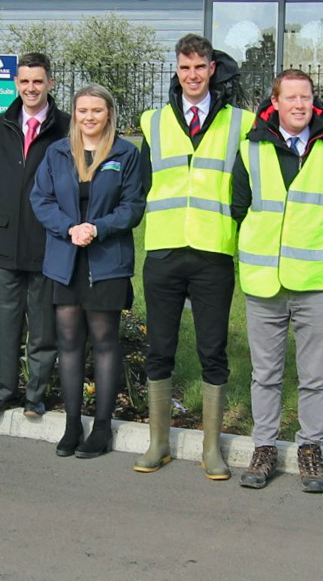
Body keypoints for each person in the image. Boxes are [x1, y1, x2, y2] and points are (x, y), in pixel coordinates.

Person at [231, 69, 323, 493]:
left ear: (313, 101)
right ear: (276, 102)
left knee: (314, 374)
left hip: (317, 280)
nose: (299, 105)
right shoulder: (251, 148)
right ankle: (264, 447)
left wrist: (316, 241)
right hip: (264, 281)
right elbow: (239, 206)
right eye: (291, 97)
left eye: (306, 97)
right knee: (265, 373)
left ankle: (310, 449)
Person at [133, 33, 252, 479]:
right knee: (159, 349)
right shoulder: (153, 121)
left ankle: (211, 449)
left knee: (212, 351)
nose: (193, 76)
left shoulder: (240, 122)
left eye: (200, 67)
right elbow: (140, 182)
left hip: (212, 250)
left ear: (212, 69)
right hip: (163, 248)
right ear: (176, 71)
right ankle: (158, 442)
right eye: (185, 68)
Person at [30, 85, 149, 458]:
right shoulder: (57, 153)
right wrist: (70, 228)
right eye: (82, 111)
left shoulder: (126, 154)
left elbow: (133, 206)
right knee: (68, 343)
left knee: (104, 343)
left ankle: (100, 428)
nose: (89, 117)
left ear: (109, 114)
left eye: (97, 110)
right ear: (75, 114)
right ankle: (71, 425)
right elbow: (41, 199)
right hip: (65, 259)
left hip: (106, 260)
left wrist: (97, 227)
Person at [0, 53, 70, 419]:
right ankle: (3, 391)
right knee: (4, 324)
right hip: (6, 240)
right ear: (16, 84)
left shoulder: (65, 126)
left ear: (50, 83)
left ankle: (36, 394)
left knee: (43, 326)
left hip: (47, 241)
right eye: (24, 81)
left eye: (38, 81)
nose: (30, 88)